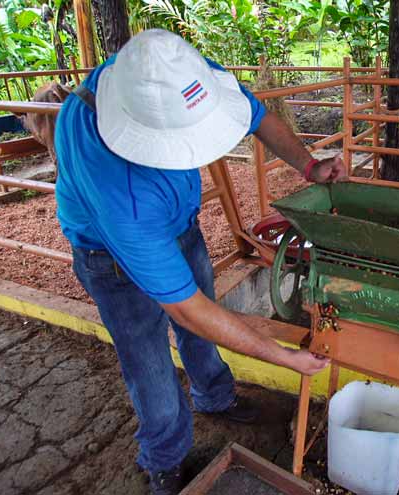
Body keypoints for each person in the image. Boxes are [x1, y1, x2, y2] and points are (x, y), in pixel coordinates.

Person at [54, 29, 341, 495]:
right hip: (110, 259)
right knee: (148, 357)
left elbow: (259, 116)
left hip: (179, 224)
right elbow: (187, 308)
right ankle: (163, 456)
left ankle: (213, 394)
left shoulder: (164, 70)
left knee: (202, 320)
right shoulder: (122, 190)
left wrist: (309, 166)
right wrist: (283, 356)